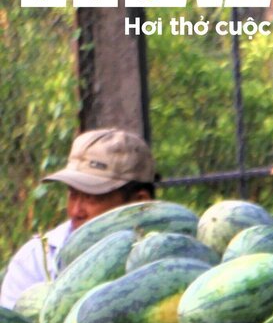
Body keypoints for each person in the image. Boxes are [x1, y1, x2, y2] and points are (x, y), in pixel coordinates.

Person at [1, 130, 158, 309]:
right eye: (72, 194)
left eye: (92, 197)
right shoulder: (36, 258)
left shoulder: (171, 257)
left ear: (140, 202)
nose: (76, 211)